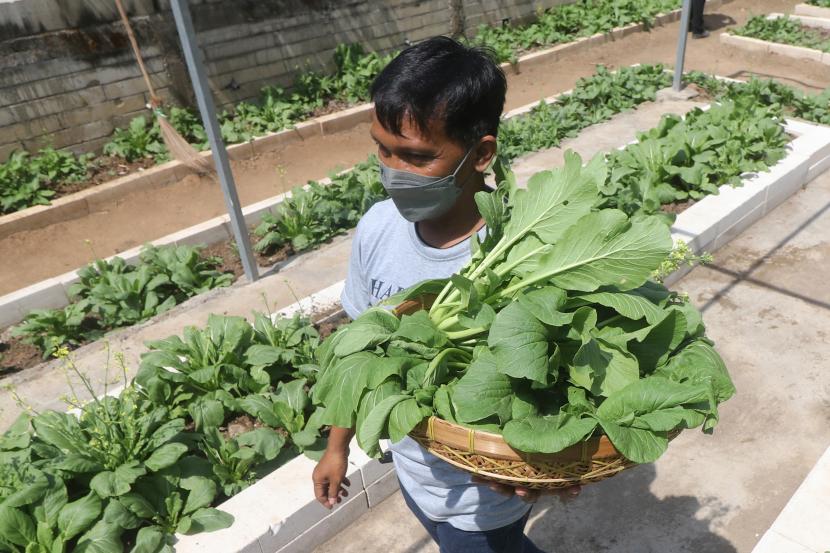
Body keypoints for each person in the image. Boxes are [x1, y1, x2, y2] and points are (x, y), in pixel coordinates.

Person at [311, 36, 580, 553]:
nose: (393, 171)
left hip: (485, 498)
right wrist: (336, 447)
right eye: (383, 150)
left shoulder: (521, 254)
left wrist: (553, 466)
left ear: (481, 154)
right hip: (415, 475)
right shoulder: (378, 227)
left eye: (416, 156)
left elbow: (561, 392)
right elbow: (360, 355)